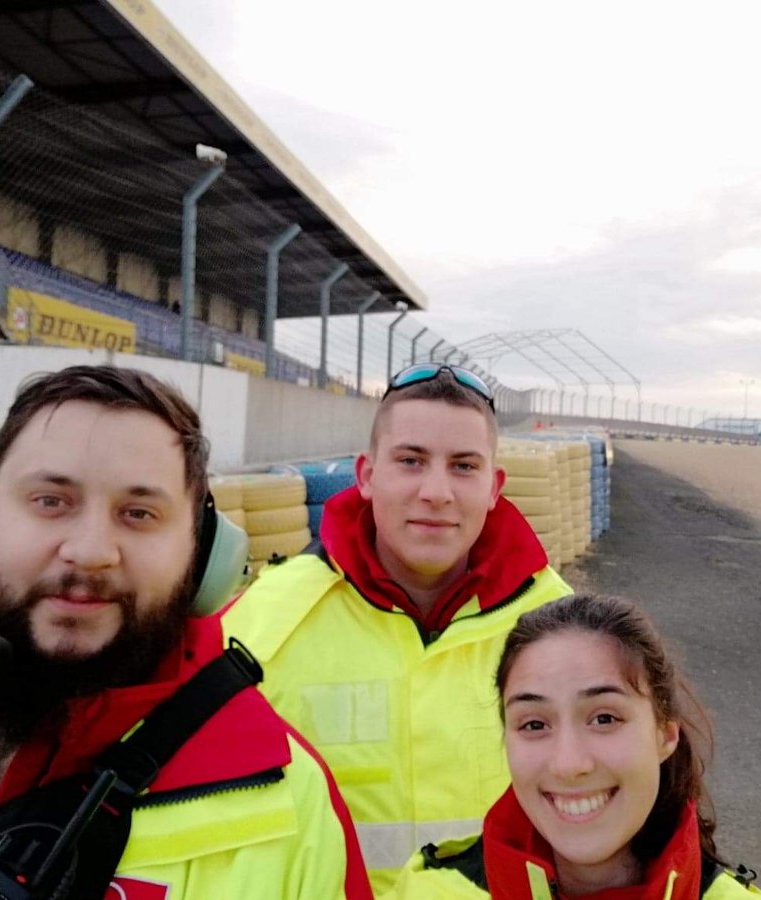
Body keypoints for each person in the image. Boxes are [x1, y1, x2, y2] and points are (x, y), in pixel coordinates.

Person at [0, 365, 371, 899]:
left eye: (138, 513)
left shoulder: (292, 804)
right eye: (50, 501)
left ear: (204, 560)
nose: (89, 552)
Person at [223, 364, 572, 892]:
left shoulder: (566, 631)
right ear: (365, 475)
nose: (437, 491)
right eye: (411, 461)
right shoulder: (261, 626)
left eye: (463, 466)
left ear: (495, 486)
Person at [389, 593, 761, 899]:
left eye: (604, 718)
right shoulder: (428, 891)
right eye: (534, 724)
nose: (568, 764)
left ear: (666, 735)